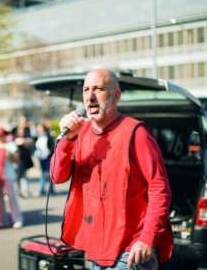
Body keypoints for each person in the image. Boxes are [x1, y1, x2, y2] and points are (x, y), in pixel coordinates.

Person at [50, 69, 173, 270]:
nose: (89, 97)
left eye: (97, 89)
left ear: (116, 95)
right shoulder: (80, 134)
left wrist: (148, 238)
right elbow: (57, 176)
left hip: (129, 250)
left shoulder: (136, 132)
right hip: (96, 247)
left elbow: (159, 189)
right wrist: (68, 140)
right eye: (86, 90)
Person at [0, 126, 24, 229]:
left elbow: (17, 160)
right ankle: (2, 219)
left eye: (0, 135)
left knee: (11, 196)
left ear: (5, 135)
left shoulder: (11, 145)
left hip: (8, 175)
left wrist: (8, 155)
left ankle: (17, 219)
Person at [33, 123, 55, 196]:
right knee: (42, 174)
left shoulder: (48, 136)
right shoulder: (36, 137)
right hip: (40, 158)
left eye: (40, 128)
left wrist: (49, 154)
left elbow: (52, 147)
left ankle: (51, 189)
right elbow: (34, 146)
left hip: (47, 157)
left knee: (49, 174)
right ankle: (41, 189)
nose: (39, 130)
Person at [13, 125, 34, 198]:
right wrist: (26, 141)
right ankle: (16, 192)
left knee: (24, 176)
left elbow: (31, 141)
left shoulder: (26, 136)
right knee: (17, 177)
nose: (21, 131)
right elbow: (19, 142)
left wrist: (25, 141)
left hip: (24, 160)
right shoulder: (14, 136)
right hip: (17, 160)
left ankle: (25, 191)